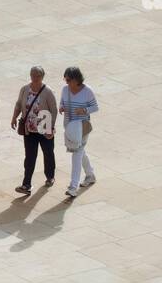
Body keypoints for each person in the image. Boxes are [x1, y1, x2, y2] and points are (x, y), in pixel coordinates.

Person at [12, 65, 57, 194]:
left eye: (38, 76)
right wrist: (14, 117)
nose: (35, 78)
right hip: (29, 129)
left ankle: (50, 176)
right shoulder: (25, 89)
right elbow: (19, 104)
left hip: (44, 127)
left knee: (48, 153)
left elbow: (53, 110)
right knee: (30, 157)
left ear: (42, 77)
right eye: (33, 75)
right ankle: (26, 184)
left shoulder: (48, 92)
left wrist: (51, 127)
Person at [60, 66, 100, 199]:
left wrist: (84, 110)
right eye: (65, 80)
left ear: (76, 79)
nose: (66, 83)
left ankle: (73, 187)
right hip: (70, 128)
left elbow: (95, 107)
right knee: (80, 151)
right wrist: (61, 107)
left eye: (69, 80)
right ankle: (90, 175)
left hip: (82, 128)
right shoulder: (65, 90)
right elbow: (62, 102)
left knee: (76, 154)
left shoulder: (87, 91)